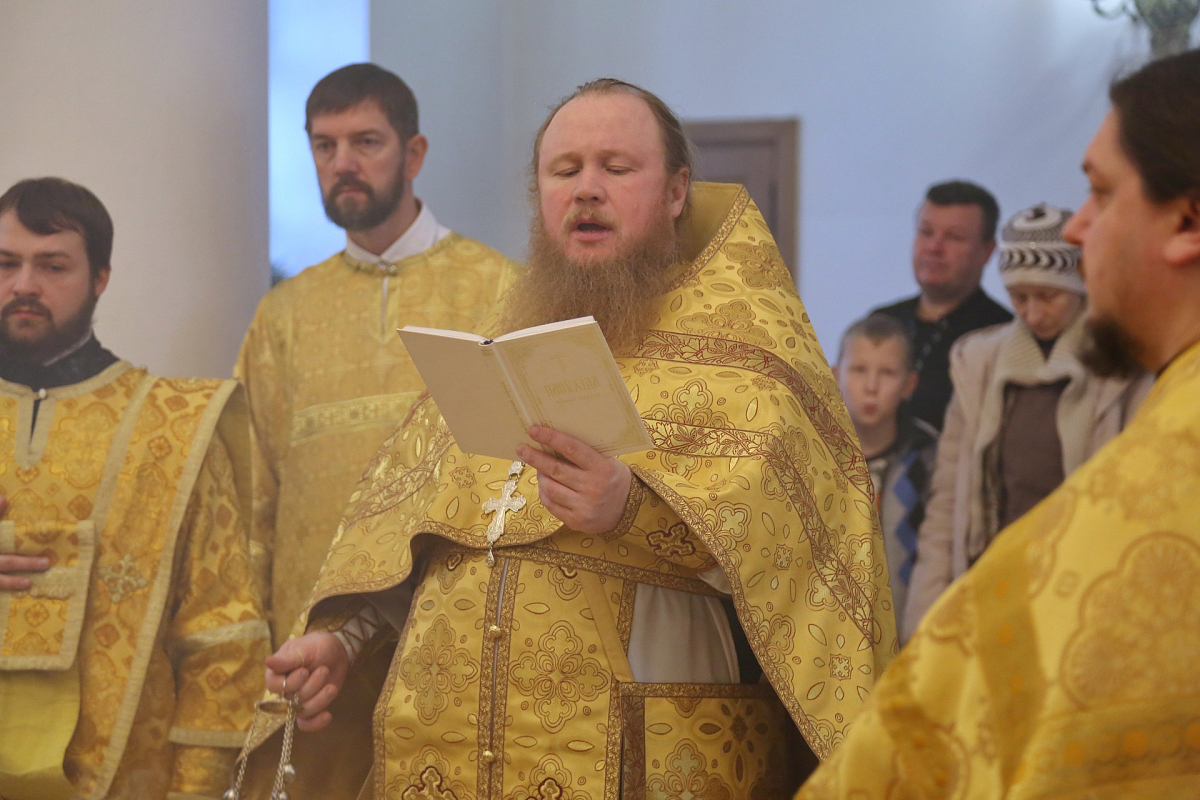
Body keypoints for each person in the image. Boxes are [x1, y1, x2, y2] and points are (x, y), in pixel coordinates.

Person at [242, 79, 897, 800]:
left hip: (638, 750)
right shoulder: (499, 335)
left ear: (676, 191)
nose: (586, 188)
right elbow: (427, 542)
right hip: (449, 761)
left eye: (616, 167)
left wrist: (632, 511)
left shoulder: (748, 354)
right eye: (564, 170)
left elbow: (802, 565)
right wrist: (344, 640)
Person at [796, 47, 1200, 798]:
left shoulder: (1159, 470)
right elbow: (952, 496)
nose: (1079, 229)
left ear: (1187, 220)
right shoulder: (979, 356)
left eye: (1101, 193)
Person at [0, 178, 269, 800]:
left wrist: (196, 790)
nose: (23, 285)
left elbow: (222, 635)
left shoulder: (173, 426)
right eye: (6, 263)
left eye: (53, 266)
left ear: (101, 277)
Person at [235, 63, 522, 644]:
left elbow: (521, 473)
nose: (343, 162)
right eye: (325, 145)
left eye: (365, 142)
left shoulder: (499, 288)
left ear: (413, 155)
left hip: (454, 629)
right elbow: (250, 490)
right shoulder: (283, 313)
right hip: (309, 630)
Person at [901, 204, 1149, 638]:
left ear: (1080, 285)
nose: (1033, 313)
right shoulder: (978, 363)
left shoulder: (1120, 364)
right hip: (994, 580)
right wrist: (926, 616)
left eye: (1048, 296)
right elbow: (947, 502)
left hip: (1084, 582)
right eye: (1019, 298)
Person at [873, 181, 1013, 430]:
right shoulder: (880, 323)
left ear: (987, 251)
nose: (934, 247)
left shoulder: (1003, 334)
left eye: (954, 237)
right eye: (926, 232)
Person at [833, 313, 938, 624]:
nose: (871, 386)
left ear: (909, 384)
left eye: (888, 373)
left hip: (904, 623)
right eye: (859, 370)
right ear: (835, 376)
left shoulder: (929, 460)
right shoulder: (813, 454)